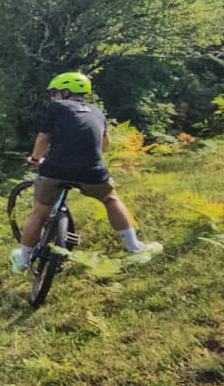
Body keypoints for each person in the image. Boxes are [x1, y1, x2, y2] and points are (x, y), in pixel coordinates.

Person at [10, 72, 162, 274]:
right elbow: (105, 143)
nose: (52, 97)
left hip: (56, 169)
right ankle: (134, 247)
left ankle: (23, 261)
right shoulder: (97, 112)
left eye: (54, 93)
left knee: (39, 214)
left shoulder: (58, 107)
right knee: (111, 199)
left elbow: (42, 138)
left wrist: (36, 160)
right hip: (92, 169)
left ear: (65, 92)